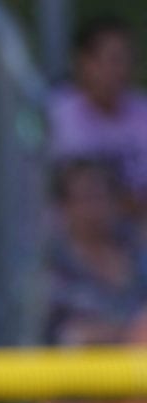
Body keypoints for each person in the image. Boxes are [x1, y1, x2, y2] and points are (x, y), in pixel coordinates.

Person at [47, 14, 147, 222]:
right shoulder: (57, 115)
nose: (121, 70)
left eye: (128, 61)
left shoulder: (142, 111)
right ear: (83, 61)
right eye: (113, 60)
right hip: (74, 238)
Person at [44, 157, 147, 345]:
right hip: (75, 372)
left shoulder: (138, 252)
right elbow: (66, 338)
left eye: (102, 196)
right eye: (85, 198)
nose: (95, 208)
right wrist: (128, 334)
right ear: (64, 207)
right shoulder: (50, 268)